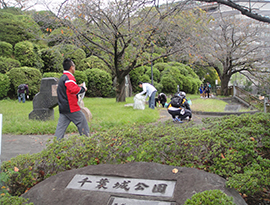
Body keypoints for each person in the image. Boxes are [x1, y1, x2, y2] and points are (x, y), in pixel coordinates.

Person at [55, 58, 90, 140]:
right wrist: (82, 89)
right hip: (71, 107)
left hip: (63, 107)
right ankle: (87, 143)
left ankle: (55, 145)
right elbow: (73, 90)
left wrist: (79, 86)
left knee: (60, 129)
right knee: (82, 122)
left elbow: (69, 88)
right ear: (71, 67)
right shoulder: (69, 77)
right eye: (74, 66)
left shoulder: (63, 77)